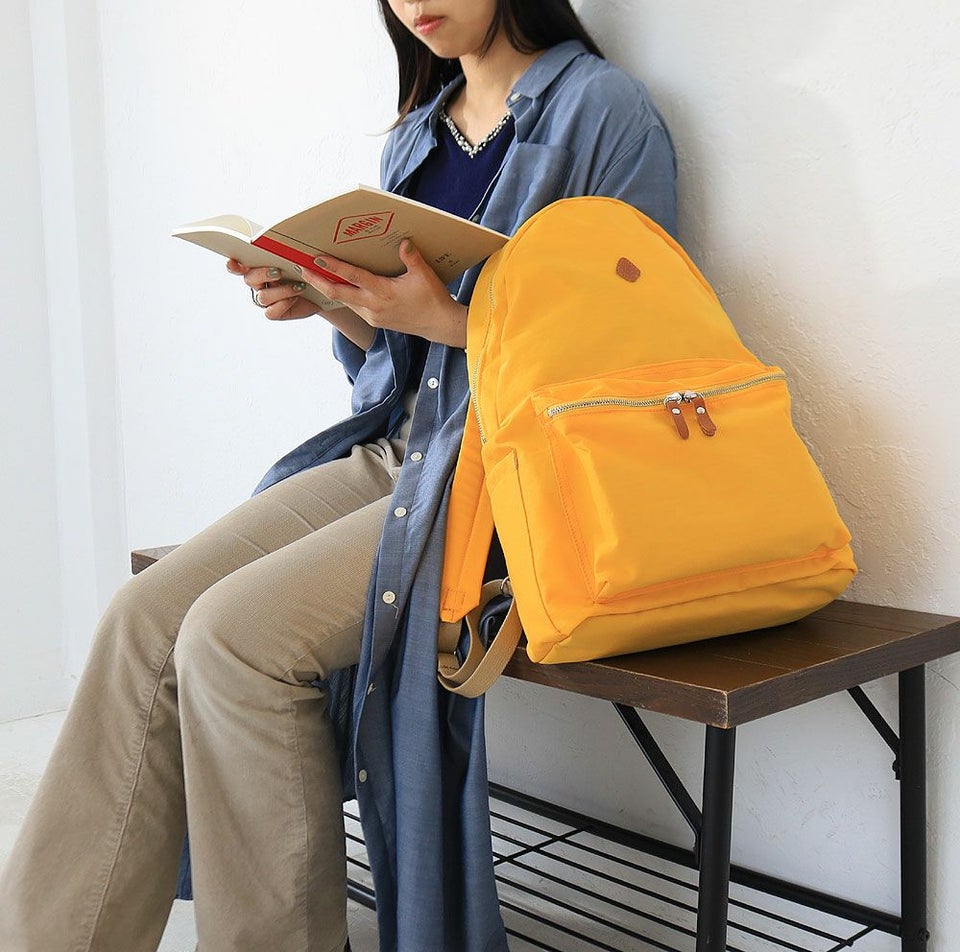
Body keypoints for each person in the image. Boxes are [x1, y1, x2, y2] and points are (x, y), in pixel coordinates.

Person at [0, 1, 677, 950]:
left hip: (512, 479)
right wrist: (333, 301)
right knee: (140, 619)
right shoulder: (416, 136)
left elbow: (638, 347)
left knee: (232, 641)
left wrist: (450, 322)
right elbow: (394, 369)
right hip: (402, 450)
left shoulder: (602, 111)